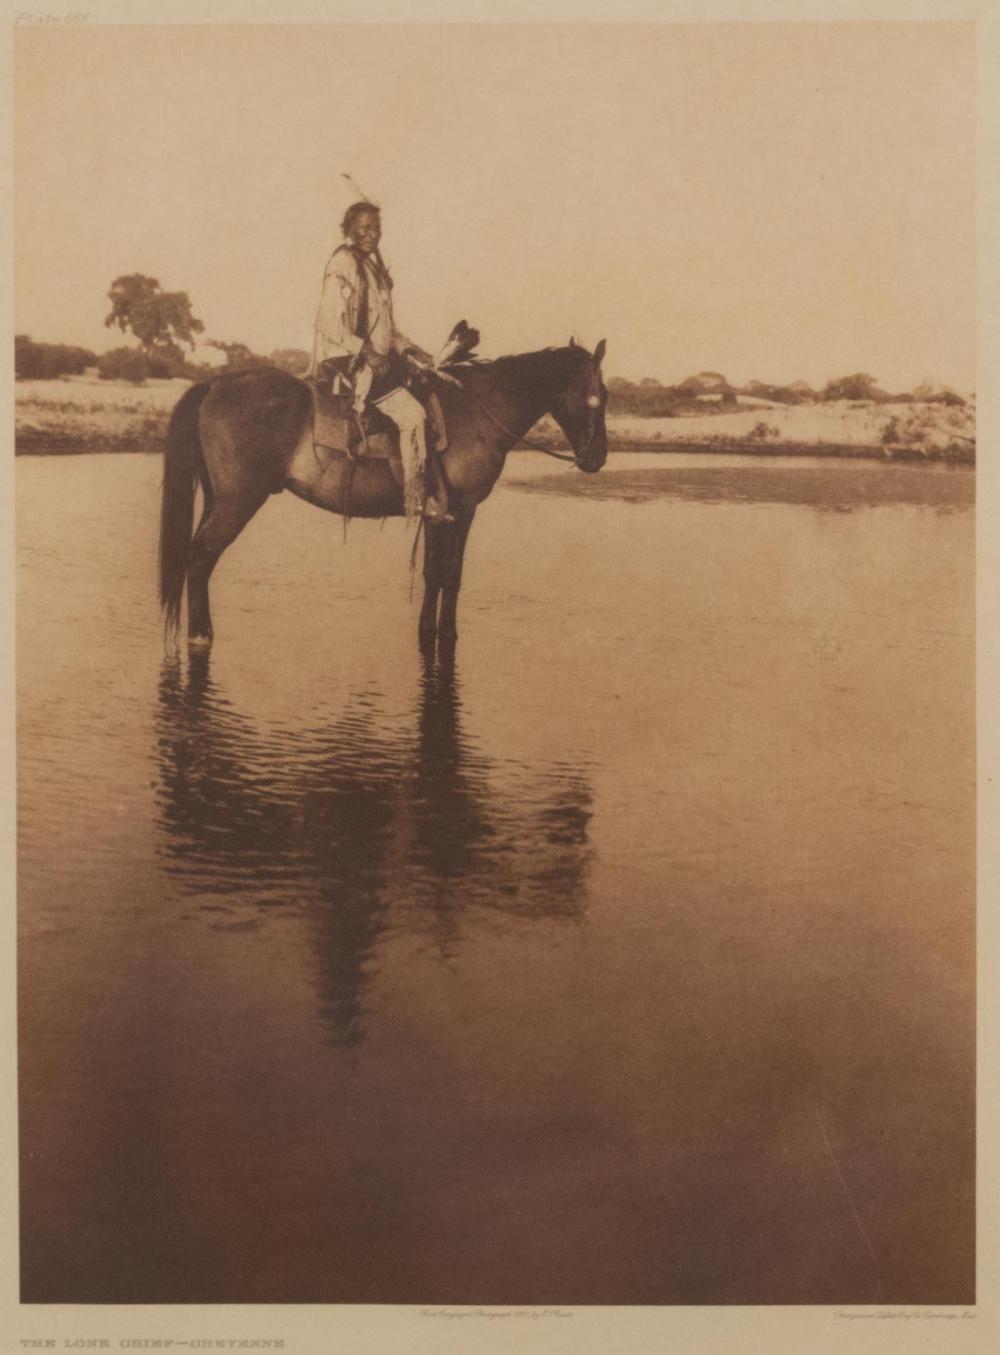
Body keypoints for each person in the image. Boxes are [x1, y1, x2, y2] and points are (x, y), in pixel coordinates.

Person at [308, 201, 452, 523]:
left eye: (377, 229)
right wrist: (368, 353)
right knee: (413, 416)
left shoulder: (372, 270)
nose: (372, 234)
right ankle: (416, 498)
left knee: (427, 386)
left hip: (377, 358)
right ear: (349, 229)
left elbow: (388, 331)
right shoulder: (342, 264)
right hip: (346, 359)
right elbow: (329, 323)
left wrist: (410, 350)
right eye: (365, 228)